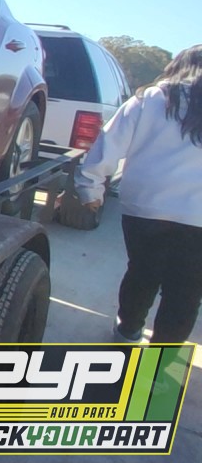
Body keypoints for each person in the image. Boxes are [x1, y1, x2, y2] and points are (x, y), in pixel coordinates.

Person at [75, 45, 202, 344]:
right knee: (185, 292)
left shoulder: (150, 99)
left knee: (142, 272)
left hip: (145, 208)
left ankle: (127, 333)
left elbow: (109, 142)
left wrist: (90, 187)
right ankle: (161, 375)